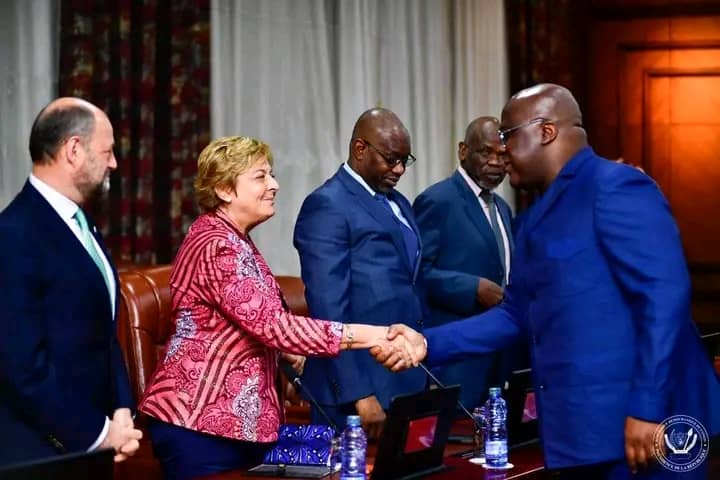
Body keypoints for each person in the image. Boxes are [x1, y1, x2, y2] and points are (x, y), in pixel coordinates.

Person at [377, 84, 720, 479]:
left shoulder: (615, 186)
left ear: (546, 131)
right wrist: (425, 344)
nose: (502, 149)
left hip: (650, 428)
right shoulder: (534, 218)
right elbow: (515, 314)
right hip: (583, 437)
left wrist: (647, 407)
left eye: (508, 135)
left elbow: (663, 299)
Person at [139, 136, 419, 480]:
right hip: (200, 424)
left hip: (239, 426)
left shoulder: (233, 238)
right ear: (224, 190)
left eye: (271, 175)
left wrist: (288, 353)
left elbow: (247, 319)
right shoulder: (216, 244)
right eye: (260, 177)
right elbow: (274, 325)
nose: (274, 185)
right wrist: (375, 335)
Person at [0, 98, 143, 465]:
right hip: (39, 455)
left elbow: (104, 332)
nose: (113, 163)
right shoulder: (13, 234)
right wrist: (97, 433)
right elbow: (22, 367)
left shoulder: (80, 222)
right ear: (74, 150)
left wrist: (121, 408)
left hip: (92, 446)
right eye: (107, 151)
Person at [293, 108, 427, 437]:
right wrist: (360, 394)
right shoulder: (327, 205)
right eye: (391, 159)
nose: (399, 169)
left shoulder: (398, 202)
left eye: (404, 160)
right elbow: (329, 310)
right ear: (360, 149)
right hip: (355, 393)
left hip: (405, 378)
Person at [413, 116, 516, 409]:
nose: (495, 162)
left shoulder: (503, 208)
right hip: (458, 359)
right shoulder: (438, 200)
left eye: (502, 155)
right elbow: (417, 275)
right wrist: (472, 288)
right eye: (486, 152)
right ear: (463, 151)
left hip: (501, 355)